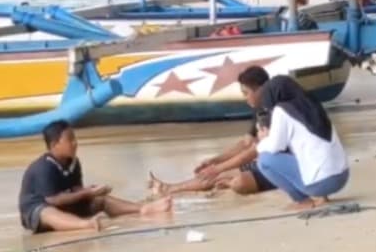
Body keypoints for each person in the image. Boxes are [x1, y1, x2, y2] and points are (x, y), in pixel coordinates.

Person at [19, 120, 172, 233]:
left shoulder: (73, 162)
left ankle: (142, 209)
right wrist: (86, 193)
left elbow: (76, 189)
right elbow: (52, 199)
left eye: (75, 138)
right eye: (70, 140)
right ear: (54, 145)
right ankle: (84, 224)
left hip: (64, 206)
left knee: (100, 200)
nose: (75, 143)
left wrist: (93, 191)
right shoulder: (44, 167)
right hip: (37, 210)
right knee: (47, 212)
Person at [148, 66, 276, 198]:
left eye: (246, 93)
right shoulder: (261, 110)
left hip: (276, 165)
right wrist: (215, 161)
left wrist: (218, 168)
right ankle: (169, 188)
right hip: (265, 160)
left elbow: (252, 151)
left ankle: (168, 189)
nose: (245, 98)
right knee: (221, 172)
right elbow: (246, 143)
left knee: (221, 175)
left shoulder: (272, 113)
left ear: (260, 90)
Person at [256, 76, 350, 209]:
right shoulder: (311, 103)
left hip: (322, 183)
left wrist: (262, 140)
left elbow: (274, 147)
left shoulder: (281, 110)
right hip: (342, 177)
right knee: (308, 149)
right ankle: (323, 197)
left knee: (264, 160)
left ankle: (302, 200)